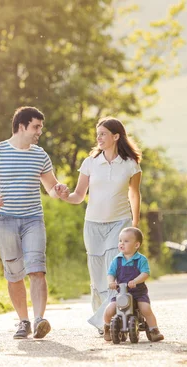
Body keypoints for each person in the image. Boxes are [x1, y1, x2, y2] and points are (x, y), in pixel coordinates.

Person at [0, 106, 69, 339]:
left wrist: (60, 190)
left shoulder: (40, 155)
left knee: (37, 269)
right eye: (36, 127)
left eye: (40, 128)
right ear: (21, 126)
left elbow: (51, 189)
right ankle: (23, 321)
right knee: (14, 273)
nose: (39, 132)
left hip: (32, 219)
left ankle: (39, 320)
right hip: (5, 219)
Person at [64, 117, 142, 334]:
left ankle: (114, 315)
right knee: (96, 273)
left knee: (112, 270)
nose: (98, 138)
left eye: (103, 134)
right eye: (97, 134)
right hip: (93, 225)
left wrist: (134, 224)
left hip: (120, 223)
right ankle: (103, 322)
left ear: (116, 136)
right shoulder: (90, 163)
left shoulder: (130, 164)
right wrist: (65, 196)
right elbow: (79, 195)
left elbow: (134, 195)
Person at [103, 227, 164, 342]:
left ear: (136, 245)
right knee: (110, 309)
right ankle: (106, 327)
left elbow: (145, 273)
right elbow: (110, 273)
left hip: (138, 293)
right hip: (121, 293)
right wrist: (111, 282)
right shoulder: (117, 260)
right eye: (120, 240)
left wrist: (135, 281)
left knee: (145, 309)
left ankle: (154, 330)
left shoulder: (141, 259)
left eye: (126, 241)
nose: (122, 243)